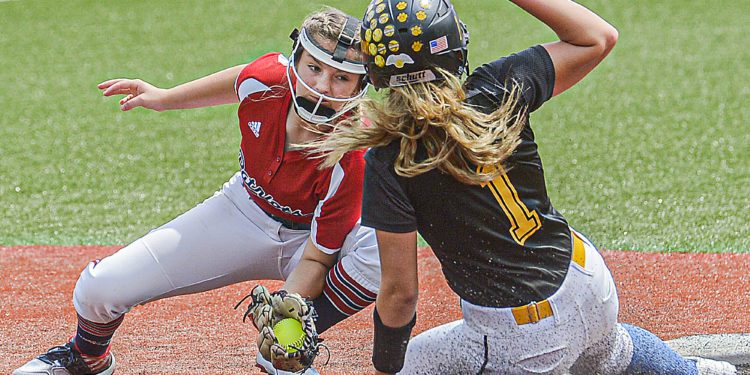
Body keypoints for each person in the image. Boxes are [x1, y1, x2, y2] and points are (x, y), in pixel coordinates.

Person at [311, 0, 739, 374]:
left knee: (412, 367)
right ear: (455, 46)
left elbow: (400, 295)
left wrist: (386, 369)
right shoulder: (498, 85)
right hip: (588, 281)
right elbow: (597, 37)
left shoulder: (390, 160)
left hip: (524, 338)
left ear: (375, 70)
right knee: (607, 351)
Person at [12, 7, 381, 375]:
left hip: (310, 243)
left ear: (360, 87)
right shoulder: (268, 80)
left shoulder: (353, 154)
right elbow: (239, 79)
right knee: (99, 290)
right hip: (244, 210)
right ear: (295, 61)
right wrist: (164, 97)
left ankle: (291, 342)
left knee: (380, 253)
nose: (321, 86)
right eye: (314, 68)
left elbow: (318, 258)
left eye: (341, 78)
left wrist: (285, 320)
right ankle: (87, 357)